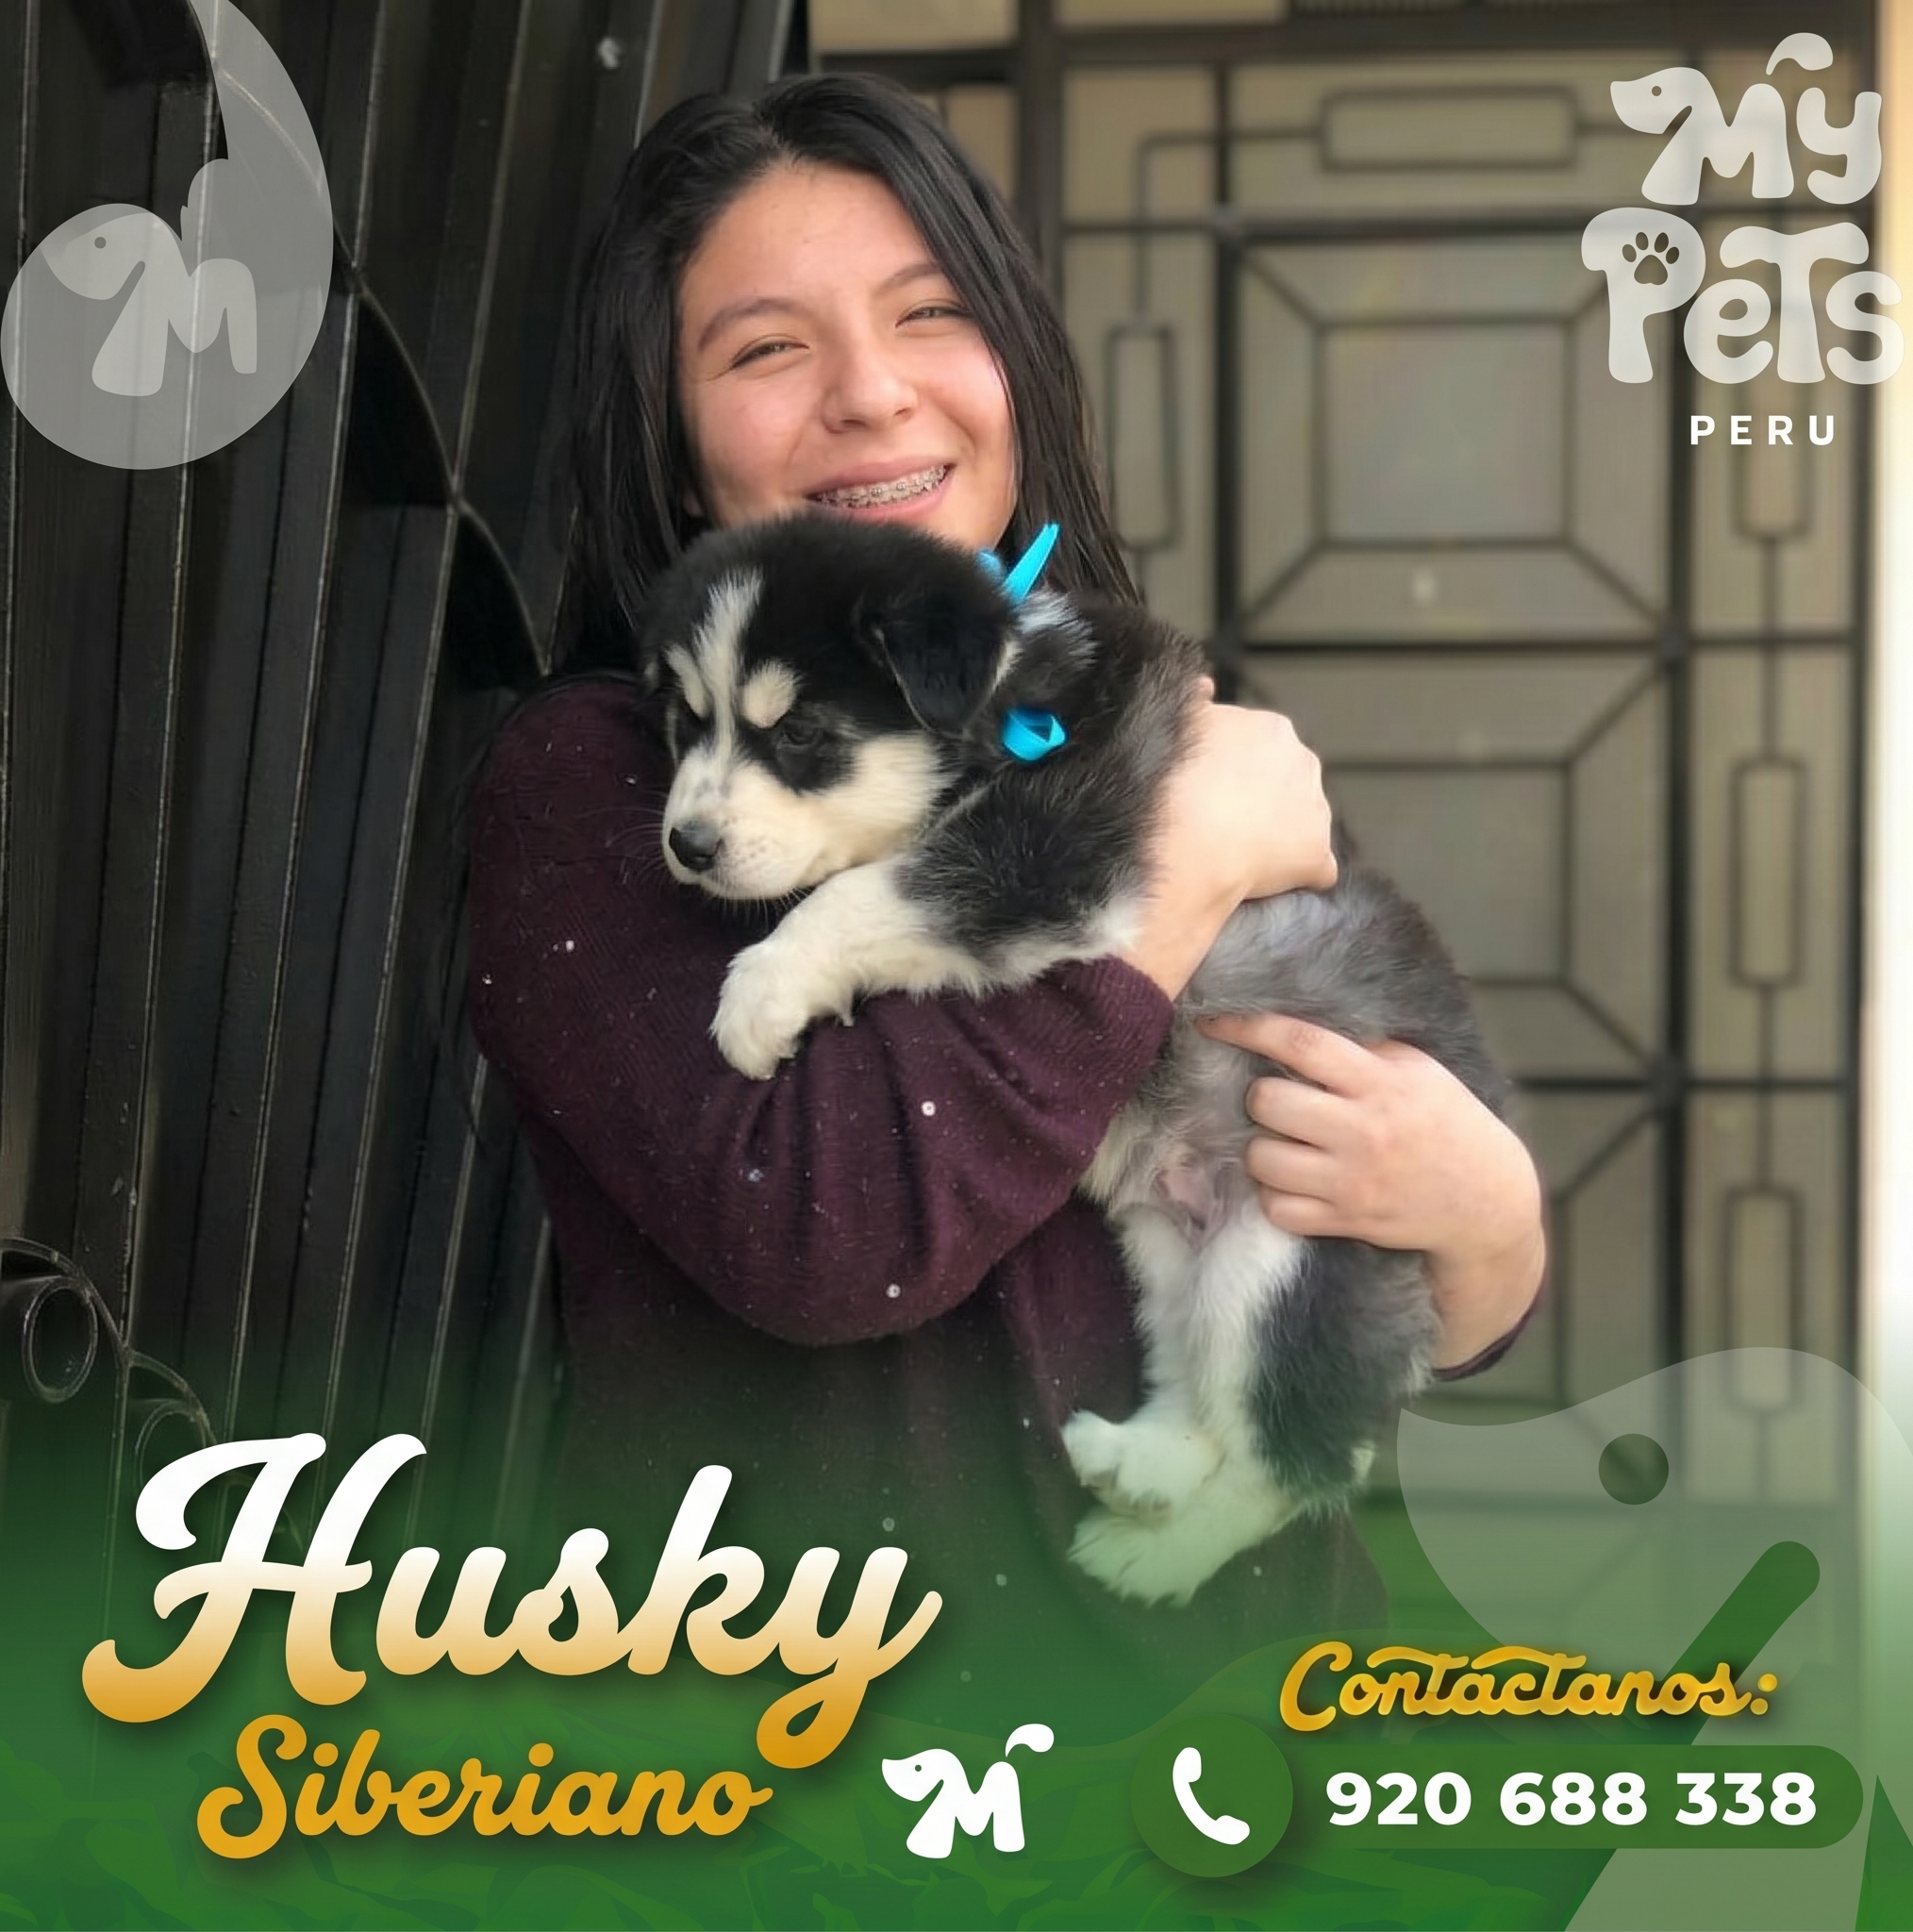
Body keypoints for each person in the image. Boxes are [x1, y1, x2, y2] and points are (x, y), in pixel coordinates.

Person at [466, 74, 1543, 1734]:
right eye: (765, 349)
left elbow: (1342, 1204)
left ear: (1015, 373)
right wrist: (1168, 868)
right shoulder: (608, 788)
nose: (869, 393)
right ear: (677, 456)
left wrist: (1494, 1237)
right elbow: (826, 1244)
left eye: (931, 315)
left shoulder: (1114, 717)